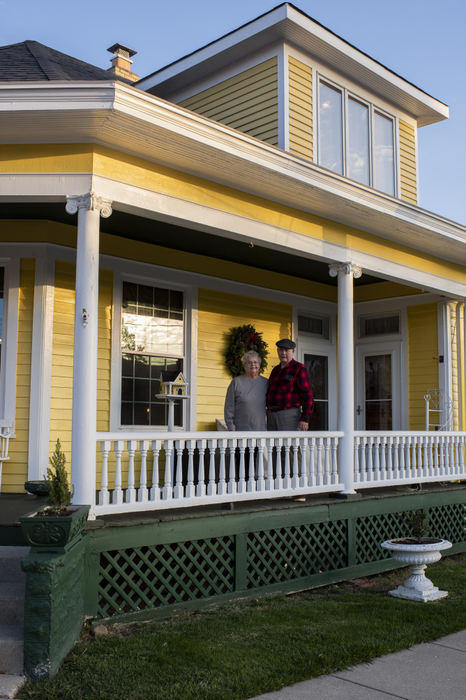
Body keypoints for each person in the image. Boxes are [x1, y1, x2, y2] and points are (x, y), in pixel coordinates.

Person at [266, 339, 313, 430]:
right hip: (271, 415)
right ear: (277, 351)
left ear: (293, 351)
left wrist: (305, 418)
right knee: (272, 444)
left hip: (289, 415)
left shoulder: (299, 368)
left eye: (286, 350)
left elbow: (307, 395)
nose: (283, 353)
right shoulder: (275, 370)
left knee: (288, 444)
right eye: (280, 350)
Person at [224, 350, 268, 431]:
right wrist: (231, 426)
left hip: (261, 431)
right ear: (244, 365)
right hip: (240, 431)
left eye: (256, 362)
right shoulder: (236, 382)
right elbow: (229, 407)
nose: (253, 365)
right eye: (249, 362)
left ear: (259, 365)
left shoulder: (266, 383)